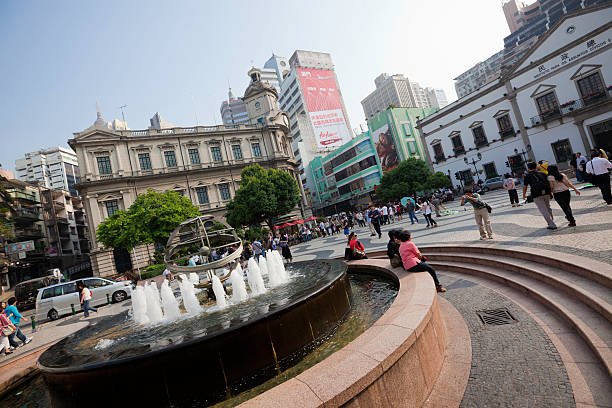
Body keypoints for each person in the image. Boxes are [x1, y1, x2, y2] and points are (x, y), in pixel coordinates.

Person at [523, 162, 557, 229]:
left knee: (543, 209)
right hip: (546, 192)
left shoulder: (527, 175)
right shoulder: (543, 173)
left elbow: (525, 186)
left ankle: (551, 224)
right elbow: (548, 184)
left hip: (536, 194)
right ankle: (551, 221)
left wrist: (524, 195)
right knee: (548, 207)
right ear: (536, 167)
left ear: (528, 168)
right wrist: (550, 193)